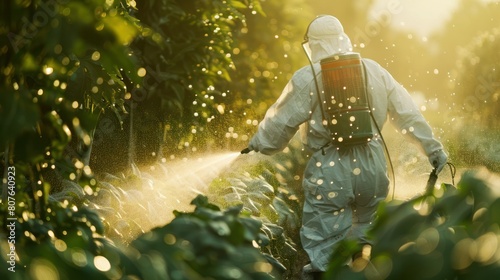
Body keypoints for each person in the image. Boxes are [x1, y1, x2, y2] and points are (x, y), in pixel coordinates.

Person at [241, 15, 448, 278]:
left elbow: (278, 126)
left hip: (330, 168)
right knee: (366, 236)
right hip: (372, 166)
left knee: (324, 245)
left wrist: (256, 146)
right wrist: (434, 151)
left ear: (314, 44)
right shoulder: (374, 70)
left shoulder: (310, 76)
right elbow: (408, 116)